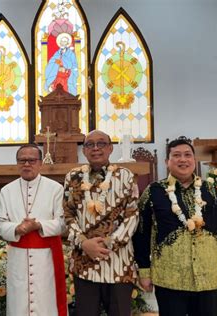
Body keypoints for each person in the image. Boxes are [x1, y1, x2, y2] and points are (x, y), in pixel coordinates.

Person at [132, 137, 217, 316]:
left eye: (187, 155)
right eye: (176, 155)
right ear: (167, 162)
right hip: (170, 277)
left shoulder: (211, 191)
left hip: (209, 275)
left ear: (194, 160)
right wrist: (144, 271)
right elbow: (141, 233)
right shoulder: (153, 192)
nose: (182, 159)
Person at [63, 130, 139, 316]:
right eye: (90, 144)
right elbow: (67, 214)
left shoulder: (126, 176)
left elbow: (132, 216)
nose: (95, 148)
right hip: (84, 262)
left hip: (118, 263)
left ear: (111, 148)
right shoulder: (73, 177)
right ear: (84, 150)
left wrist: (108, 243)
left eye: (101, 143)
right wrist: (83, 242)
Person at [0, 144, 67, 315]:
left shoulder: (55, 189)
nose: (26, 164)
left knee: (46, 303)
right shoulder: (7, 191)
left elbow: (63, 223)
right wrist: (17, 229)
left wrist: (39, 225)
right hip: (17, 259)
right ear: (17, 163)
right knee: (18, 304)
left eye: (31, 160)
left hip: (46, 259)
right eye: (22, 160)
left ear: (40, 163)